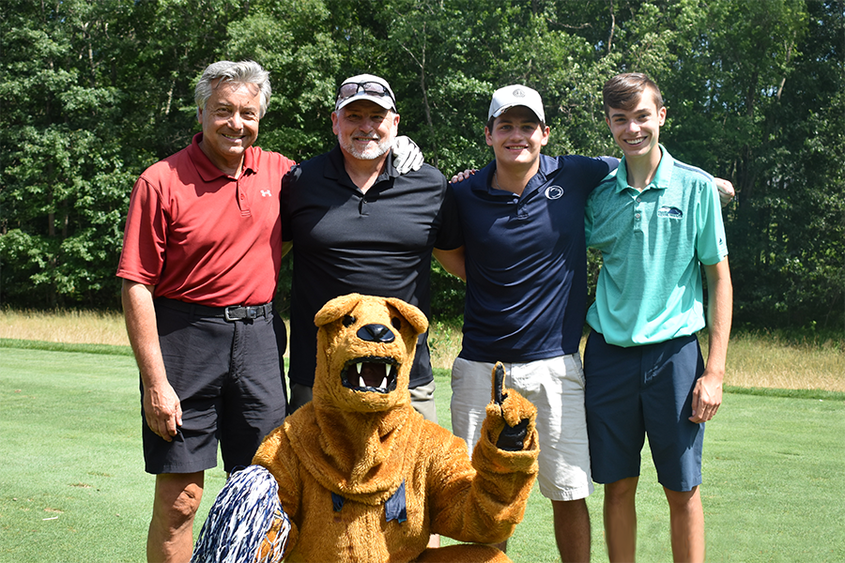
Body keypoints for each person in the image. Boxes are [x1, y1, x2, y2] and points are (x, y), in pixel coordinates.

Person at [116, 61, 422, 563]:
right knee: (181, 501)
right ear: (201, 112)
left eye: (248, 113)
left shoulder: (281, 172)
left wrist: (399, 150)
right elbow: (136, 283)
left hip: (259, 338)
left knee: (264, 490)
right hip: (185, 339)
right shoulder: (161, 180)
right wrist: (154, 380)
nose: (237, 123)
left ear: (261, 117)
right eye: (224, 111)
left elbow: (345, 171)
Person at [448, 84, 617, 563]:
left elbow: (643, 159)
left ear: (545, 133)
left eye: (527, 126)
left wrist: (707, 181)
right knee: (481, 493)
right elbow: (447, 251)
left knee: (568, 491)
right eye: (506, 126)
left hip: (554, 367)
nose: (516, 135)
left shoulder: (575, 172)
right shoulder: (463, 192)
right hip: (481, 368)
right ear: (489, 134)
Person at [583, 72, 732, 563]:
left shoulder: (695, 187)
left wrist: (714, 372)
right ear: (609, 124)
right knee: (617, 487)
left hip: (676, 358)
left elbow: (719, 281)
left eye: (642, 116)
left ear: (661, 116)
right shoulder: (598, 196)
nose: (633, 128)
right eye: (621, 119)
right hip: (609, 357)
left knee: (682, 489)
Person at [282, 73, 464, 424]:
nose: (366, 127)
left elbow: (462, 264)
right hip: (319, 377)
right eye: (353, 116)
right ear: (335, 122)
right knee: (318, 479)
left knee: (412, 480)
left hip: (406, 378)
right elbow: (266, 257)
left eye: (377, 117)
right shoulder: (301, 181)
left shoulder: (430, 184)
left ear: (394, 123)